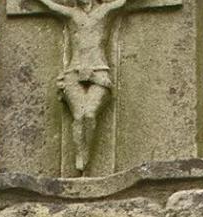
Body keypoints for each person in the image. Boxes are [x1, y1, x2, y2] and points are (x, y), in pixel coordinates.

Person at [29, 0, 130, 174]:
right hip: (73, 73)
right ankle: (79, 154)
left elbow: (125, 2)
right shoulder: (72, 15)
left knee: (89, 115)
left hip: (99, 72)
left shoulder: (105, 12)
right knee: (78, 116)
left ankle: (85, 153)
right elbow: (51, 6)